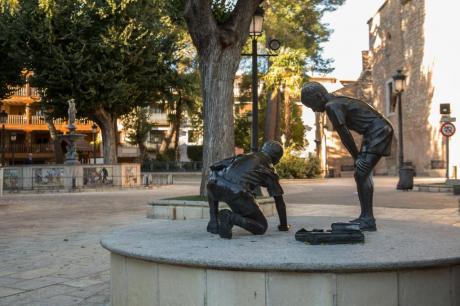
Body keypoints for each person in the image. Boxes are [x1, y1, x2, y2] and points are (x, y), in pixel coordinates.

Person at [301, 82, 394, 231]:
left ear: (318, 96)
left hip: (378, 131)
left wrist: (357, 157)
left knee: (361, 172)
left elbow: (345, 135)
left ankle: (368, 219)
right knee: (362, 174)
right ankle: (366, 217)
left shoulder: (331, 106)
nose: (313, 110)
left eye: (311, 105)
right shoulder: (337, 100)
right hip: (376, 130)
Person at [206, 140, 291, 239]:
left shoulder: (243, 156)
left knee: (215, 180)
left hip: (215, 186)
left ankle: (214, 221)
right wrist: (283, 226)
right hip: (238, 193)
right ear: (276, 160)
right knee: (261, 227)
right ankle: (231, 217)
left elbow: (214, 167)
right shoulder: (270, 171)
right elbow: (279, 201)